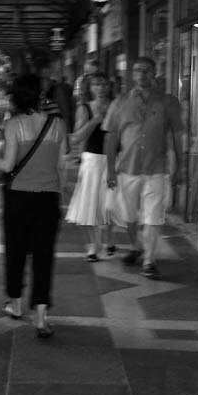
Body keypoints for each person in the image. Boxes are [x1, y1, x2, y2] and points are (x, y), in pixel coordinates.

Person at [0, 73, 68, 339]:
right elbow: (61, 166)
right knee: (44, 256)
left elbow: (8, 166)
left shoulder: (13, 126)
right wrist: (61, 199)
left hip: (19, 198)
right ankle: (42, 316)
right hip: (48, 198)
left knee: (16, 251)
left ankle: (16, 302)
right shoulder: (58, 125)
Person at [104, 56, 184, 281]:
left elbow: (177, 135)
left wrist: (180, 166)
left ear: (154, 73)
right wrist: (110, 169)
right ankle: (136, 246)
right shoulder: (119, 103)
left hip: (156, 168)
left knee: (153, 216)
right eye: (138, 70)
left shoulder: (168, 102)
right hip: (127, 168)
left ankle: (150, 261)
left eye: (147, 70)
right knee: (129, 214)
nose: (142, 74)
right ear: (132, 74)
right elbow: (111, 138)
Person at [65, 72, 116, 261]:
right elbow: (77, 137)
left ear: (109, 86)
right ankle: (93, 247)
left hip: (114, 159)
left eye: (104, 84)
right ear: (90, 88)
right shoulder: (84, 108)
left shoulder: (116, 105)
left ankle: (109, 238)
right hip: (93, 160)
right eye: (96, 84)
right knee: (90, 204)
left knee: (111, 204)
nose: (101, 88)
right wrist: (96, 120)